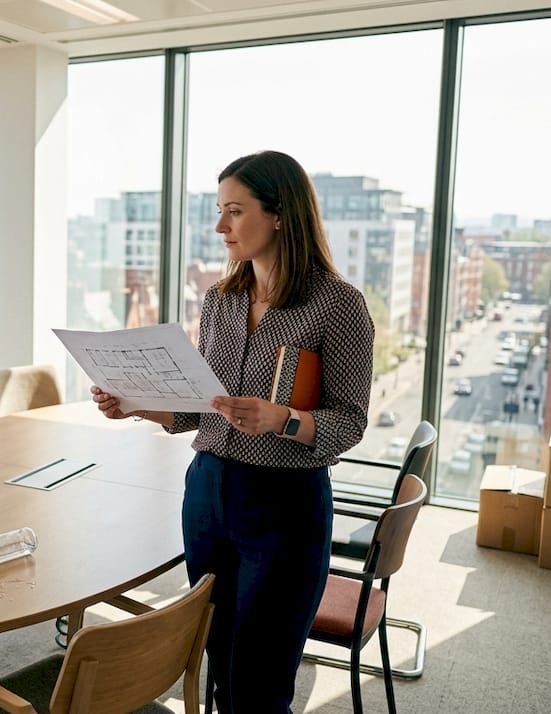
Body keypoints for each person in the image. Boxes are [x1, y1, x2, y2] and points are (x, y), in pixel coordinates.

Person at [91, 150, 374, 713]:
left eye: (235, 211)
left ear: (279, 215)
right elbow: (205, 406)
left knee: (260, 683)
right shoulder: (220, 300)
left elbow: (351, 420)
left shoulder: (338, 305)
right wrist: (139, 406)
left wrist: (284, 419)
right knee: (216, 658)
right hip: (208, 493)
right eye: (220, 210)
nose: (220, 226)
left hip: (284, 505)